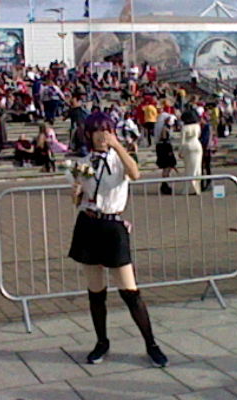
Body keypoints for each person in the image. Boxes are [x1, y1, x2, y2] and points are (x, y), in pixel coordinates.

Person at [68, 112, 168, 367]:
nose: (102, 135)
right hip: (89, 224)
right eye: (96, 130)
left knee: (130, 291)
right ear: (88, 134)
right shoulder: (82, 162)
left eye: (106, 130)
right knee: (96, 291)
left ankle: (151, 344)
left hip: (113, 225)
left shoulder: (120, 158)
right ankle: (101, 342)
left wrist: (117, 146)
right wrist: (76, 192)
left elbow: (135, 174)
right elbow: (78, 199)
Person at [179, 108, 202, 195]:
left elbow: (182, 141)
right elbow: (198, 135)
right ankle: (196, 187)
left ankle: (188, 188)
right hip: (197, 145)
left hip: (188, 146)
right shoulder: (197, 126)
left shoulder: (184, 128)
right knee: (197, 167)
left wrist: (180, 151)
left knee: (188, 168)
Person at [155, 115, 177, 195]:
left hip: (163, 148)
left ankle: (165, 184)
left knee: (167, 167)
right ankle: (164, 184)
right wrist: (169, 150)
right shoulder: (165, 128)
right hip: (165, 149)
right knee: (167, 167)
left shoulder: (165, 127)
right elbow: (164, 139)